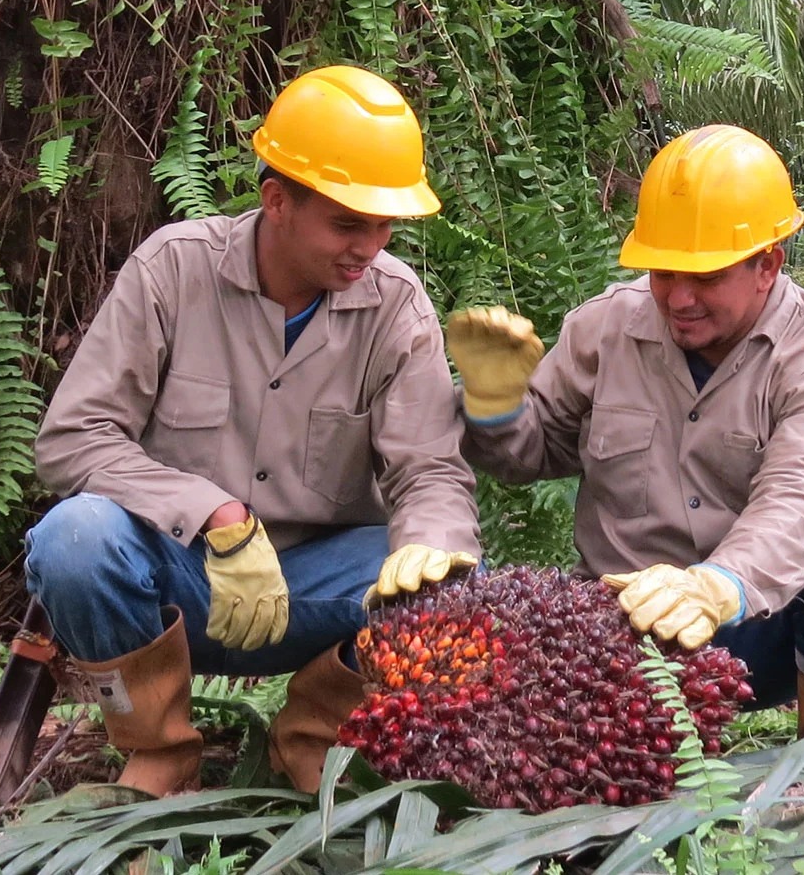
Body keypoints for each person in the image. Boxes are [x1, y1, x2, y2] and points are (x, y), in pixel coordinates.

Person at [24, 64, 481, 797]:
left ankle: (314, 746)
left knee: (450, 578)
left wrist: (432, 547)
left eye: (384, 223)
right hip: (181, 579)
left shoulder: (397, 306)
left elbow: (429, 470)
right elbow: (72, 438)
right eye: (347, 222)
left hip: (320, 588)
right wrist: (212, 513)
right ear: (277, 202)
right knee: (74, 540)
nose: (372, 245)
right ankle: (158, 754)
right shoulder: (173, 273)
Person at [447, 124, 804, 735]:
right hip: (621, 628)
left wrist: (717, 586)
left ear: (767, 265)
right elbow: (533, 451)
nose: (678, 298)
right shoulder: (604, 333)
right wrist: (495, 406)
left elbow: (801, 498)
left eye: (705, 278)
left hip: (759, 625)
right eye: (664, 272)